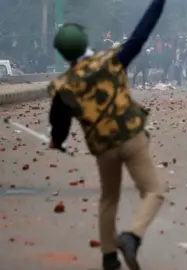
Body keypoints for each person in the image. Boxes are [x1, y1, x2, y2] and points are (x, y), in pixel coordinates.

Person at [47, 0, 167, 269]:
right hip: (131, 138)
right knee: (153, 190)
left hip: (103, 147)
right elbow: (141, 33)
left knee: (109, 199)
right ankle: (132, 236)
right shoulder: (112, 60)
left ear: (63, 54)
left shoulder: (63, 86)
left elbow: (60, 124)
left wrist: (57, 140)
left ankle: (109, 258)